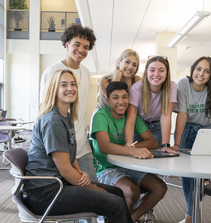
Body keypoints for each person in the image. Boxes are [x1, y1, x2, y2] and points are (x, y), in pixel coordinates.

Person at [23, 69, 132, 223]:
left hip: (58, 184)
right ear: (54, 90)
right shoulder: (53, 121)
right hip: (45, 194)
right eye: (64, 85)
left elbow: (69, 155)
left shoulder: (65, 116)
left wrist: (81, 173)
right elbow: (66, 170)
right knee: (116, 204)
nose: (70, 88)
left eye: (73, 84)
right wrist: (93, 188)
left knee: (117, 193)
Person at [91, 81, 167, 223]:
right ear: (108, 101)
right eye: (115, 97)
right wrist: (131, 151)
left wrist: (132, 149)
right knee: (132, 191)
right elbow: (104, 147)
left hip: (128, 166)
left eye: (125, 97)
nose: (121, 101)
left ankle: (128, 219)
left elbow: (153, 142)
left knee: (160, 187)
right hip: (105, 168)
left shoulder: (131, 117)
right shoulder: (100, 115)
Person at [172, 56, 211, 223]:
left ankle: (191, 215)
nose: (201, 74)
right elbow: (182, 115)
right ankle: (191, 215)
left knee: (199, 176)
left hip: (206, 133)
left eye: (207, 71)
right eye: (198, 69)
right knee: (186, 176)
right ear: (193, 69)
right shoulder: (184, 83)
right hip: (186, 130)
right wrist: (176, 144)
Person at [39, 24, 98, 182]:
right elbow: (44, 110)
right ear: (67, 45)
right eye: (77, 44)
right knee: (73, 192)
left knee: (93, 186)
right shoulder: (52, 72)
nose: (81, 50)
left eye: (86, 47)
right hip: (61, 146)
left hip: (82, 146)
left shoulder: (86, 72)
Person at [125, 56, 177, 153]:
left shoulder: (171, 86)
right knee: (137, 159)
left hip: (158, 127)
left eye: (161, 70)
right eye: (152, 70)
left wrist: (166, 145)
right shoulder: (137, 88)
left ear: (166, 73)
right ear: (146, 72)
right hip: (139, 126)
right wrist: (129, 144)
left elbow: (166, 116)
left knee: (157, 160)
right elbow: (131, 120)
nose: (156, 74)